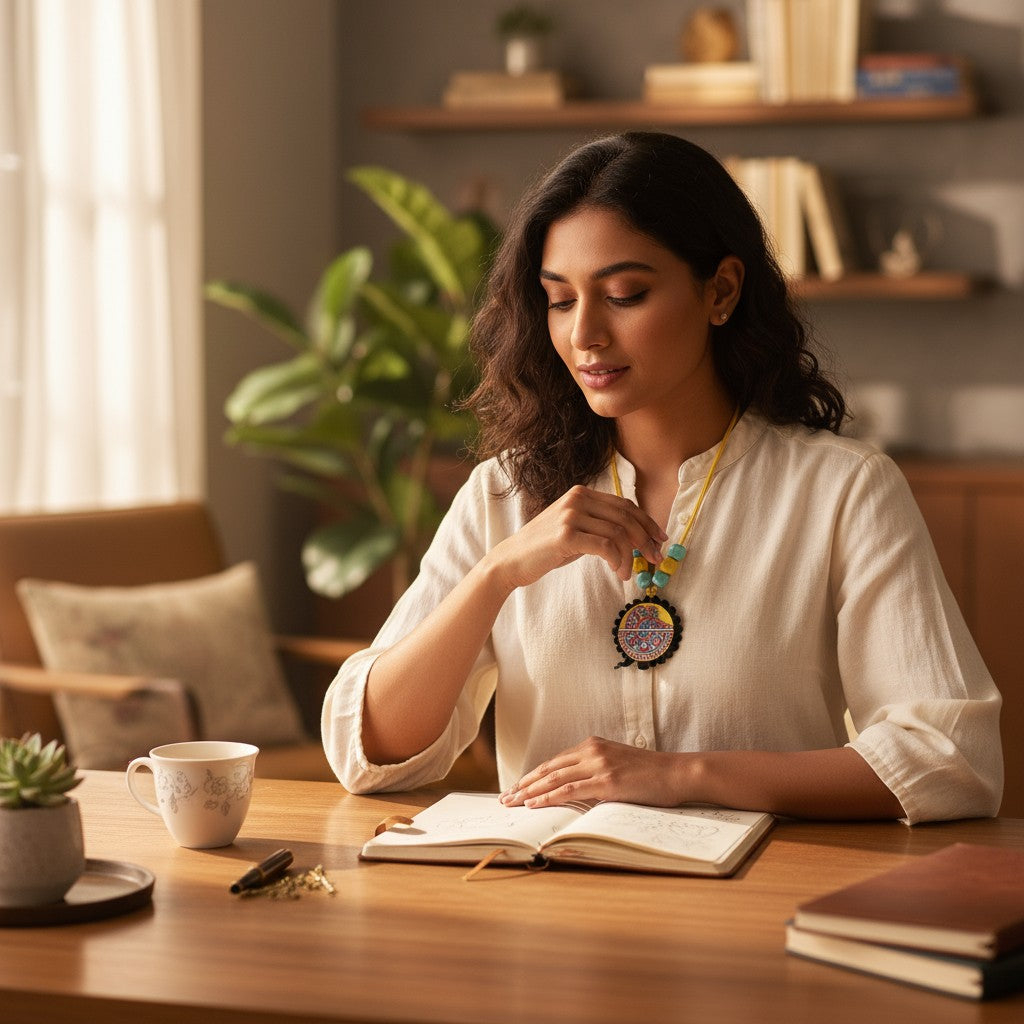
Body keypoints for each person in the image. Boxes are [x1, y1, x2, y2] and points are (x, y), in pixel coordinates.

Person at [321, 131, 1002, 824]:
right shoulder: (504, 496)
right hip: (546, 906)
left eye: (624, 293)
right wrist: (497, 574)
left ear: (721, 291)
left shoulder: (843, 492)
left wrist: (683, 775)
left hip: (755, 904)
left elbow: (952, 757)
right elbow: (367, 752)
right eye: (559, 300)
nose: (585, 334)